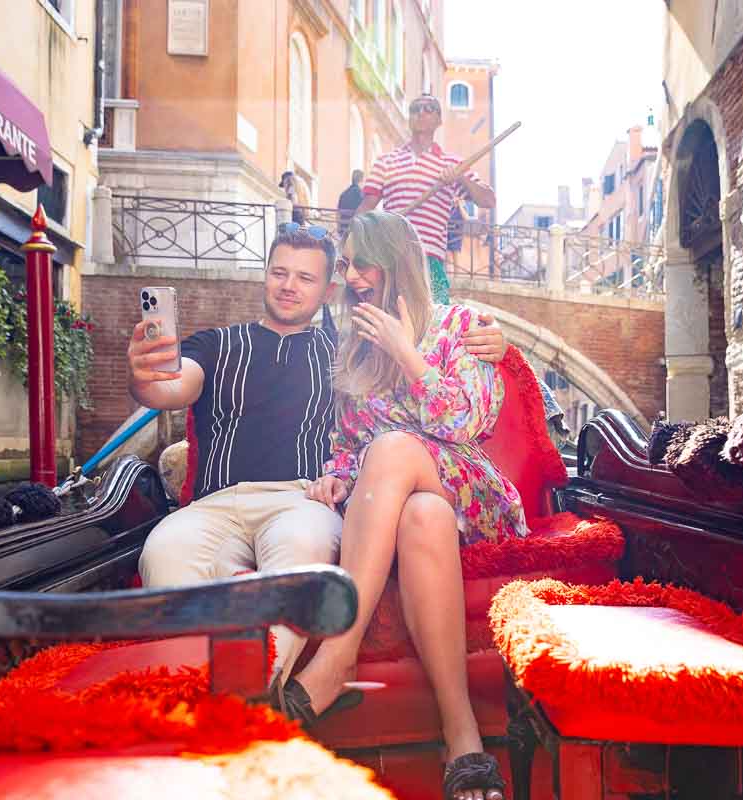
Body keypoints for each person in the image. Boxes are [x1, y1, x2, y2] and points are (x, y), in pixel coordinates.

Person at [127, 222, 508, 691]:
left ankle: (258, 697)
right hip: (214, 506)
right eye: (279, 273)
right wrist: (146, 374)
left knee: (304, 552)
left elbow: (425, 421)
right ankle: (189, 700)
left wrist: (497, 344)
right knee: (164, 551)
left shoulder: (346, 351)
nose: (289, 287)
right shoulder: (223, 344)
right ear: (264, 276)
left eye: (305, 278)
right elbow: (170, 385)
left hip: (301, 501)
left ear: (328, 290)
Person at [285, 211, 520, 800]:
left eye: (362, 263)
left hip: (470, 489)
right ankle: (462, 735)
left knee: (394, 450)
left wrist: (407, 353)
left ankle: (337, 654)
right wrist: (338, 480)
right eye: (346, 267)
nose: (352, 277)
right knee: (422, 517)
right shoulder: (354, 352)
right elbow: (346, 445)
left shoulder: (463, 325)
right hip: (411, 504)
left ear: (396, 263)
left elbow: (468, 423)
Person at [357, 94, 496, 304]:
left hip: (430, 259)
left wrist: (461, 178)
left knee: (433, 327)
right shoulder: (386, 162)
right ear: (409, 118)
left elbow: (488, 200)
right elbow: (366, 209)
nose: (421, 112)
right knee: (386, 322)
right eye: (415, 109)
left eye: (429, 108)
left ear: (439, 120)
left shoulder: (453, 163)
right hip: (392, 256)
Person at [336, 169, 364, 238]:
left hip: (343, 230)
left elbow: (338, 212)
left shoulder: (343, 194)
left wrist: (338, 228)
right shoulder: (361, 194)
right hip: (354, 231)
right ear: (361, 179)